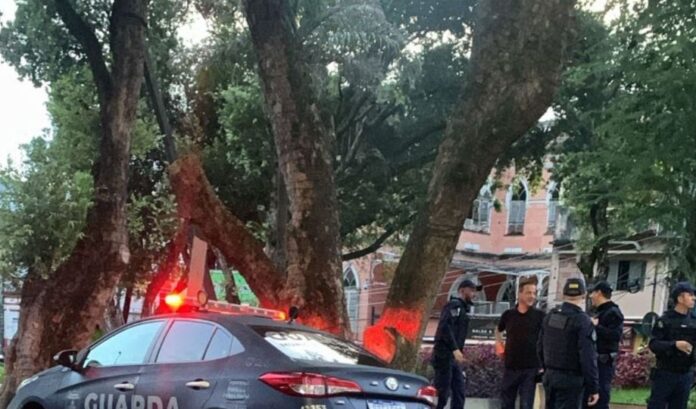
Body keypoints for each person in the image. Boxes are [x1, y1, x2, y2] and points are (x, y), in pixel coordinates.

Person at [538, 277, 599, 409]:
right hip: (571, 380)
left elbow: (540, 347)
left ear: (563, 294)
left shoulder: (551, 316)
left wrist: (546, 368)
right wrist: (593, 387)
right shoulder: (582, 321)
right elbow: (587, 357)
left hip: (550, 376)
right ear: (584, 295)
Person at [495, 276, 545, 409]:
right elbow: (498, 330)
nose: (532, 296)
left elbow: (547, 338)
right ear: (520, 294)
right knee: (506, 404)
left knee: (526, 404)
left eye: (534, 293)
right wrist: (499, 347)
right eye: (529, 292)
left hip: (531, 368)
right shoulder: (508, 315)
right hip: (511, 367)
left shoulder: (540, 316)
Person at [432, 278, 481, 409]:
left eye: (475, 291)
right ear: (462, 291)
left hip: (453, 358)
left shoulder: (462, 309)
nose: (474, 294)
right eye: (471, 290)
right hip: (444, 355)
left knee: (459, 392)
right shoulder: (454, 305)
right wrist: (454, 349)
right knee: (442, 393)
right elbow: (445, 327)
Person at [647, 281, 696, 409]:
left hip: (685, 374)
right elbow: (654, 344)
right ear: (680, 298)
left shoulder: (693, 321)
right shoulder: (665, 320)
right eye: (690, 295)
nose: (694, 298)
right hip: (665, 373)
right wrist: (675, 345)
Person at [585, 281, 624, 409]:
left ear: (599, 293)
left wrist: (596, 327)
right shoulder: (598, 311)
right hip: (593, 362)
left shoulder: (613, 312)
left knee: (600, 398)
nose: (590, 296)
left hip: (603, 363)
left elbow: (615, 335)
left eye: (592, 293)